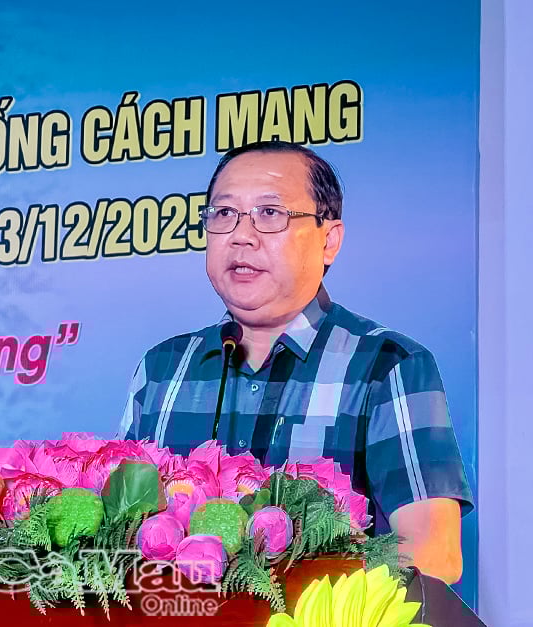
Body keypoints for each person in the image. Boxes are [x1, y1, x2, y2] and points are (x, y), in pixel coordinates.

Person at [116, 140, 473, 584]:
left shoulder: (388, 366)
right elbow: (114, 542)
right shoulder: (161, 370)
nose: (241, 235)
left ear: (329, 241)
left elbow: (432, 559)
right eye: (224, 213)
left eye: (270, 213)